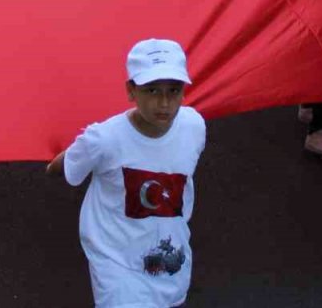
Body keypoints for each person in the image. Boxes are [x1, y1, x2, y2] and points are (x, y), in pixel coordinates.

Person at [47, 39, 206, 308]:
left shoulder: (194, 126)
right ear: (131, 91)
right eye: (152, 90)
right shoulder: (103, 139)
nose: (164, 102)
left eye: (174, 90)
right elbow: (57, 168)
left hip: (170, 259)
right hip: (116, 262)